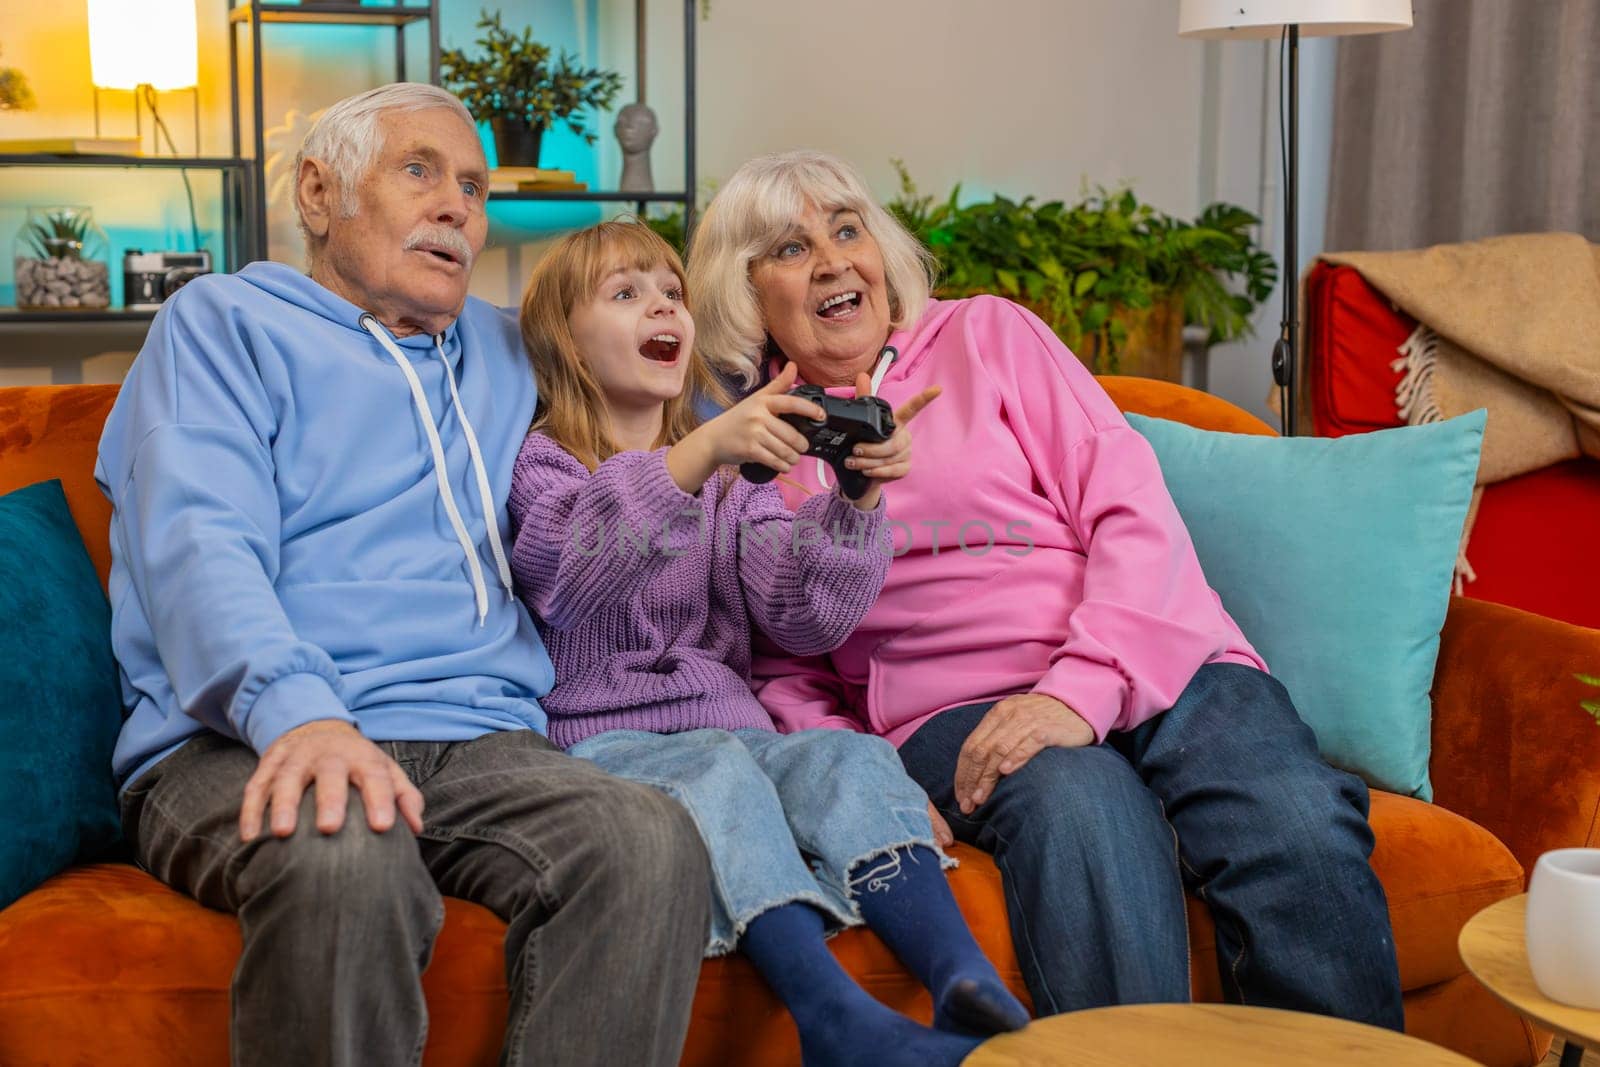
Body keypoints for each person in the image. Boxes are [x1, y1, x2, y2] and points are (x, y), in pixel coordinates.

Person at [685, 149, 1406, 1029]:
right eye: (792, 250)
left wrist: (1080, 688)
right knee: (1082, 806)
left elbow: (1131, 510)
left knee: (1291, 813)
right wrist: (862, 785)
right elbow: (781, 667)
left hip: (1156, 648)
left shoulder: (989, 336)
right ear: (744, 292)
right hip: (952, 712)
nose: (835, 259)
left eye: (847, 229)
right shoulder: (745, 453)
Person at [96, 84, 711, 1067]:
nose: (458, 206)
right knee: (346, 853)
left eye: (472, 186)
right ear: (317, 191)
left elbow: (676, 369)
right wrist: (298, 712)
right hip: (243, 739)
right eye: (419, 170)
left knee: (646, 840)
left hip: (482, 740)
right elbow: (198, 547)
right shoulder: (220, 323)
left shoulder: (512, 350)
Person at [506, 220, 1031, 1067]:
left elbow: (800, 615)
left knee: (847, 759)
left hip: (740, 733)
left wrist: (852, 498)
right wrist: (698, 454)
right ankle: (829, 1012)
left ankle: (964, 977)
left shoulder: (730, 474)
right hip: (603, 745)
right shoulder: (545, 465)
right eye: (626, 292)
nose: (662, 305)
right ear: (564, 339)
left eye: (669, 290)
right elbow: (574, 578)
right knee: (715, 770)